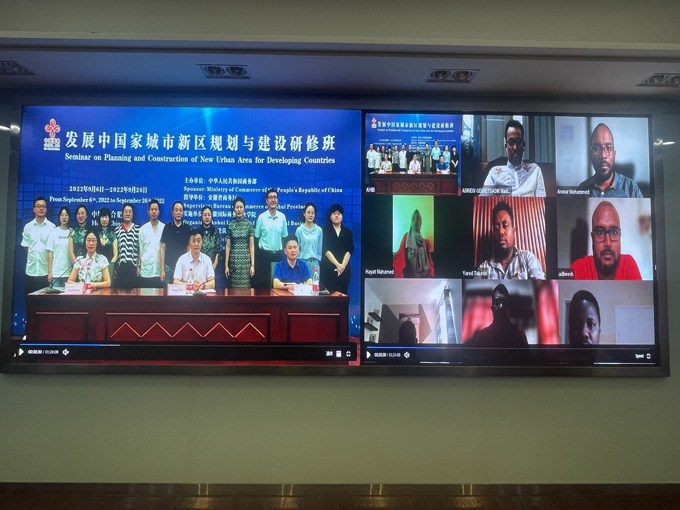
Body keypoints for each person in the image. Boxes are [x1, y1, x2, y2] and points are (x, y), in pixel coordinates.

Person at [571, 200, 642, 280]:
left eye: (614, 232)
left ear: (620, 236)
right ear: (592, 238)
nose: (608, 243)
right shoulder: (578, 269)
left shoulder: (628, 265)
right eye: (600, 232)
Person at [476, 201, 545, 279]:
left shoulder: (527, 259)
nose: (500, 231)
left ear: (513, 231)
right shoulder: (483, 269)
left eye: (505, 225)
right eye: (496, 228)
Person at [481, 120, 546, 197]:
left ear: (523, 146)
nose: (515, 147)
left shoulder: (535, 171)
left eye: (518, 142)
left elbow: (542, 202)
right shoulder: (494, 173)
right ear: (506, 147)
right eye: (511, 143)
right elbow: (482, 201)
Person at [578, 123, 644, 198]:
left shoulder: (631, 188)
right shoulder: (582, 189)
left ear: (614, 154)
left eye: (609, 148)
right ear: (591, 154)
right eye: (597, 148)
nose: (603, 155)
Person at [254, 188, 288, 289]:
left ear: (277, 200)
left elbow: (284, 237)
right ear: (266, 201)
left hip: (277, 256)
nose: (273, 200)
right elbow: (256, 237)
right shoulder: (261, 217)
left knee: (276, 285)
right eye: (270, 197)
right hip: (264, 256)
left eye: (275, 197)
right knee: (263, 286)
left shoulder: (282, 217)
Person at [21, 196, 55, 294]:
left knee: (44, 302)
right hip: (31, 271)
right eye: (38, 206)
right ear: (34, 209)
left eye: (43, 206)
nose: (41, 208)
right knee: (30, 301)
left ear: (46, 209)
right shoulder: (28, 227)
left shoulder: (52, 227)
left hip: (45, 273)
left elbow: (53, 250)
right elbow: (26, 247)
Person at [320, 204, 354, 295]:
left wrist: (342, 267)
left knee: (343, 297)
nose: (336, 216)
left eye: (339, 214)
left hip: (344, 271)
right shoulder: (324, 231)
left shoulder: (348, 232)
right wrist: (337, 265)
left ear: (342, 216)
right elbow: (325, 250)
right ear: (330, 216)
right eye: (334, 214)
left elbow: (349, 250)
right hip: (328, 269)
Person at [394, 209, 434, 278]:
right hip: (411, 278)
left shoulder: (425, 243)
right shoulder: (406, 237)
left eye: (418, 218)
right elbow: (400, 257)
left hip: (425, 278)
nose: (416, 220)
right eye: (413, 219)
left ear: (420, 222)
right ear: (411, 223)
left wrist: (430, 277)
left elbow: (430, 264)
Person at [225, 196, 255, 289]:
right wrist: (226, 265)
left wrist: (252, 265)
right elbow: (227, 246)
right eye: (237, 207)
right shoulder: (230, 224)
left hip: (246, 261)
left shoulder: (249, 224)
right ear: (234, 209)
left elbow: (251, 246)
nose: (239, 209)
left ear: (244, 208)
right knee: (233, 289)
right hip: (233, 261)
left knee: (246, 289)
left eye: (241, 207)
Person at [160, 200, 192, 284]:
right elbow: (162, 248)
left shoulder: (187, 228)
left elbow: (189, 248)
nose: (178, 212)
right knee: (167, 291)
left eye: (180, 210)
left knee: (183, 291)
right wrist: (162, 270)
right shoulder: (167, 227)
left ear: (182, 213)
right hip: (169, 267)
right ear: (172, 212)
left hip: (183, 267)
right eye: (176, 210)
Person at [137, 199, 165, 288]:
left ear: (159, 211)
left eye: (156, 209)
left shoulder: (164, 228)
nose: (154, 212)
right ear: (148, 211)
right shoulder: (142, 229)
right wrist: (139, 265)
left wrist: (163, 270)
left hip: (159, 271)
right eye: (152, 209)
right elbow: (141, 250)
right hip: (146, 270)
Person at [113, 203, 139, 288]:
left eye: (130, 212)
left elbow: (140, 249)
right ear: (122, 213)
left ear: (133, 214)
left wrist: (139, 266)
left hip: (133, 269)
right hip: (120, 269)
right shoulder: (117, 230)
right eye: (126, 211)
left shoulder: (138, 229)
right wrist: (114, 268)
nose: (128, 214)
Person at [46, 206, 72, 289]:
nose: (64, 217)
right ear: (59, 217)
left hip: (69, 274)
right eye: (62, 215)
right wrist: (49, 272)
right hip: (55, 274)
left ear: (69, 217)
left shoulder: (72, 232)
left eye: (66, 215)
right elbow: (50, 253)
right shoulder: (54, 232)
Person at [295, 202, 323, 277]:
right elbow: (297, 248)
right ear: (304, 214)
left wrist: (317, 261)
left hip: (315, 263)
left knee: (314, 283)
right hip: (302, 262)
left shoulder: (319, 230)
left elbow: (319, 249)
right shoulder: (299, 230)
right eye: (308, 212)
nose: (310, 215)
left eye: (313, 213)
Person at [198, 205, 221, 274]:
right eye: (205, 215)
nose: (207, 217)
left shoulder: (215, 231)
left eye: (209, 215)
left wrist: (214, 264)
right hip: (199, 266)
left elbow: (218, 250)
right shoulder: (197, 231)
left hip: (212, 266)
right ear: (201, 217)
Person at [95, 207, 116, 278]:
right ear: (99, 218)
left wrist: (110, 267)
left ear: (109, 219)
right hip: (96, 266)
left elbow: (115, 255)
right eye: (102, 217)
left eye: (106, 217)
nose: (104, 219)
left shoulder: (113, 234)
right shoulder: (95, 233)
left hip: (109, 265)